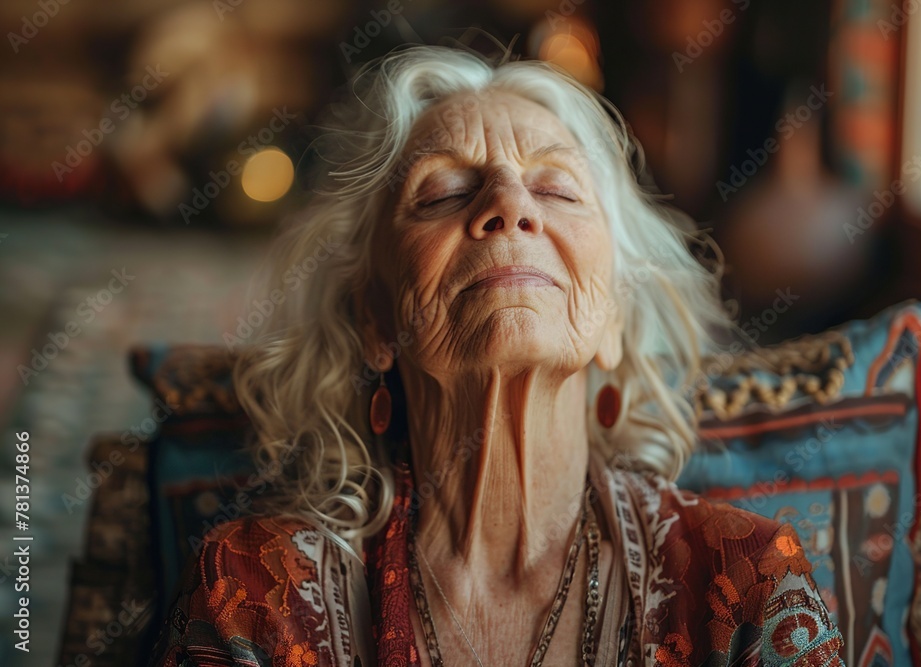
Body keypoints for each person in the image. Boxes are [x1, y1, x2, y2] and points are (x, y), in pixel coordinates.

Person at [147, 44, 845, 667]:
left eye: (557, 188)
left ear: (613, 319)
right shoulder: (253, 592)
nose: (511, 205)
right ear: (376, 317)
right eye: (445, 191)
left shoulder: (746, 582)